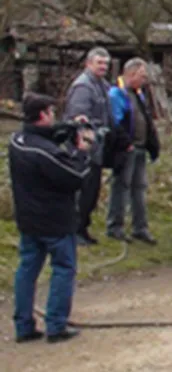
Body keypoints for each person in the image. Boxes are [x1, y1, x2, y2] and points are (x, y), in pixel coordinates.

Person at [10, 93, 94, 344]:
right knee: (63, 269)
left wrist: (69, 127)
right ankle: (56, 325)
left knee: (27, 269)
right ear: (44, 114)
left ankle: (23, 325)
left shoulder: (18, 140)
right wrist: (82, 151)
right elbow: (75, 177)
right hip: (54, 220)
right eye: (51, 112)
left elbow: (45, 135)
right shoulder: (45, 154)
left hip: (28, 218)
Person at [106, 58, 160, 245]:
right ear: (130, 74)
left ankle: (140, 227)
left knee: (139, 187)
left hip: (140, 147)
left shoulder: (139, 94)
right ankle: (115, 225)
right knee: (121, 186)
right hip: (126, 148)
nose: (144, 80)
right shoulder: (116, 94)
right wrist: (125, 143)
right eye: (142, 76)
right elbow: (115, 122)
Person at [63, 47, 113, 246]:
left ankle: (83, 227)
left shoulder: (103, 85)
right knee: (82, 190)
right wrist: (85, 144)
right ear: (88, 63)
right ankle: (74, 229)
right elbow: (79, 119)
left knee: (92, 190)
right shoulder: (83, 87)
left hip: (97, 146)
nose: (103, 67)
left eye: (106, 64)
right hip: (82, 148)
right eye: (99, 63)